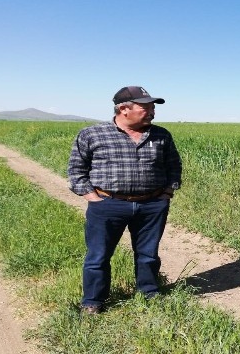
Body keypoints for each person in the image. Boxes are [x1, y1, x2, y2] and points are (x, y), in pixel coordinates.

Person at [67, 86, 182, 314]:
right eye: (145, 107)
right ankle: (93, 301)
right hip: (107, 205)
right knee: (98, 256)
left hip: (152, 205)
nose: (152, 112)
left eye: (152, 107)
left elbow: (174, 166)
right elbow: (76, 170)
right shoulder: (92, 134)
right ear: (123, 109)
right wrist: (93, 197)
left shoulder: (161, 135)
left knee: (148, 254)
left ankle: (149, 293)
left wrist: (166, 193)